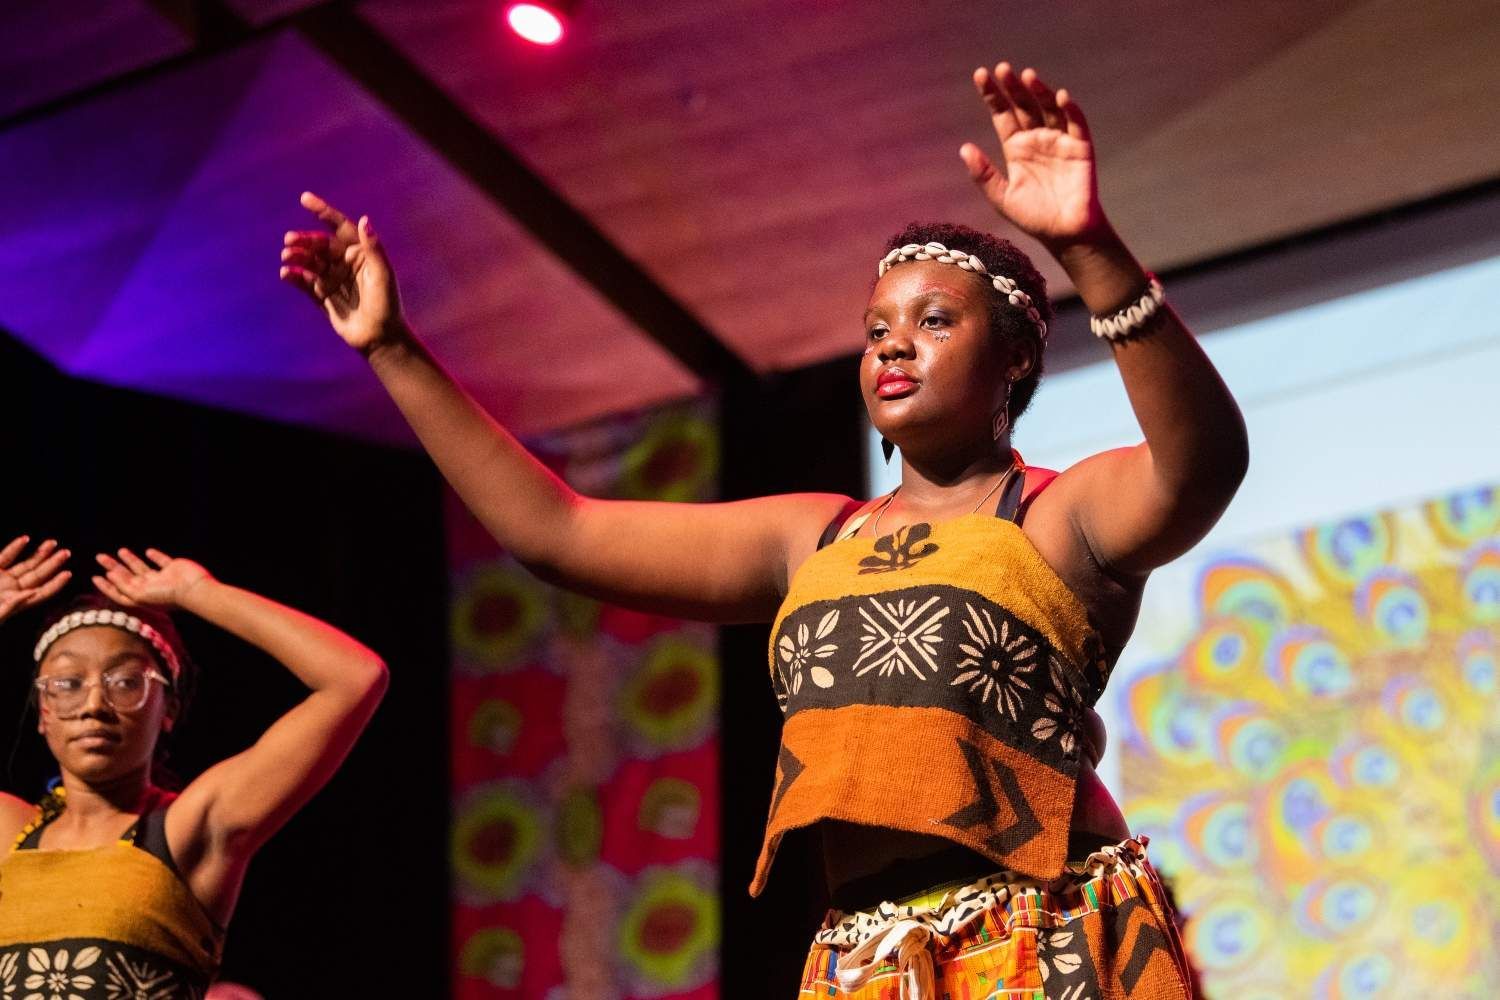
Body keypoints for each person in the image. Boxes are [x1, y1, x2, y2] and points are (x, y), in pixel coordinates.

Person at [281, 61, 1244, 997]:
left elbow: (1199, 467)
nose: (893, 345)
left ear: (1017, 355)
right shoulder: (814, 538)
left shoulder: (1055, 514)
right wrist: (393, 349)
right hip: (863, 955)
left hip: (1048, 930)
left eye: (935, 321)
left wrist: (1090, 251)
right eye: (876, 331)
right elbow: (557, 533)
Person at [0, 540, 388, 996]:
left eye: (125, 682)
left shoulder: (187, 830)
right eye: (66, 683)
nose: (93, 705)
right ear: (43, 712)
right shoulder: (9, 833)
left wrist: (199, 593)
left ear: (169, 708)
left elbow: (354, 678)